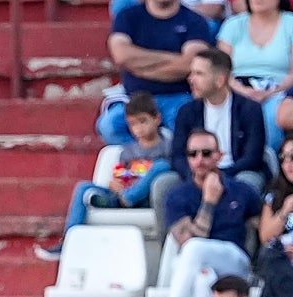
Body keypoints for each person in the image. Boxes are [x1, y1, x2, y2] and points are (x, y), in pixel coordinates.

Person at [36, 92, 171, 261]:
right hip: (122, 194)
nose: (139, 129)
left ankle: (124, 200)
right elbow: (121, 173)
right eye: (133, 125)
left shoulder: (167, 146)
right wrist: (115, 184)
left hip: (147, 197)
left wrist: (130, 194)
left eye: (143, 121)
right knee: (83, 187)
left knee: (161, 166)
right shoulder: (128, 150)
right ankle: (69, 242)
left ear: (156, 118)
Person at [151, 47, 268, 231]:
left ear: (220, 79)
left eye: (198, 74)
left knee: (249, 182)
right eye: (191, 73)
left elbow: (253, 157)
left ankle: (247, 253)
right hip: (196, 174)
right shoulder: (187, 112)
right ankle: (169, 252)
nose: (191, 79)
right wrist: (197, 177)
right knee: (163, 184)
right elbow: (178, 156)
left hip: (236, 173)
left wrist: (220, 177)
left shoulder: (249, 109)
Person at [163, 129, 264, 297]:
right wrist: (209, 202)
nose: (199, 160)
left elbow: (262, 228)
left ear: (220, 156)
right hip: (197, 264)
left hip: (234, 260)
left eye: (206, 153)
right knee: (203, 282)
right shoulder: (177, 196)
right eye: (193, 154)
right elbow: (188, 241)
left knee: (195, 250)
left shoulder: (241, 190)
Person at [100, 0, 212, 145]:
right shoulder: (128, 17)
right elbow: (121, 55)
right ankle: (146, 157)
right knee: (109, 126)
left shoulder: (194, 20)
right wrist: (174, 58)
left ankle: (168, 160)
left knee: (188, 125)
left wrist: (139, 68)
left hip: (178, 97)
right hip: (135, 99)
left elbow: (190, 64)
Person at [218, 0, 293, 149]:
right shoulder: (232, 25)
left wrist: (270, 93)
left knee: (272, 112)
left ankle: (269, 161)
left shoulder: (290, 23)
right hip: (236, 89)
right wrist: (244, 91)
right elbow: (222, 68)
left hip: (278, 91)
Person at [255, 133, 293, 297]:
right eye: (284, 158)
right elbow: (266, 237)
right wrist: (285, 210)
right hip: (281, 256)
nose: (289, 163)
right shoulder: (274, 194)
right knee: (270, 255)